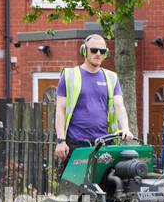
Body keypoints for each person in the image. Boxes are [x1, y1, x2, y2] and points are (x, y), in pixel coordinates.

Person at [54, 33, 135, 170]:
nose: (98, 53)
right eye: (94, 50)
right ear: (84, 51)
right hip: (76, 144)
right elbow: (60, 110)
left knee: (106, 187)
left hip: (104, 144)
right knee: (74, 188)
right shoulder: (69, 76)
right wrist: (61, 141)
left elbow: (119, 106)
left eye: (102, 51)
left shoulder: (111, 78)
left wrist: (126, 128)